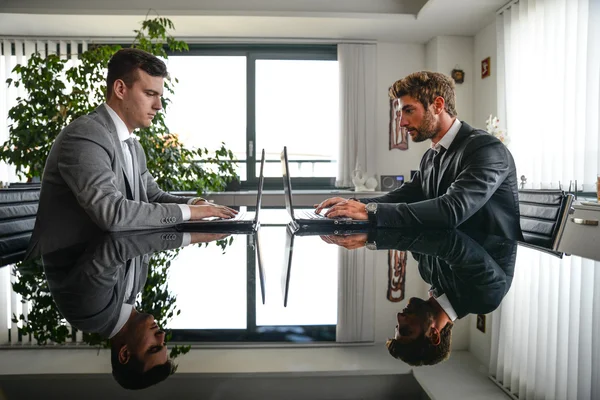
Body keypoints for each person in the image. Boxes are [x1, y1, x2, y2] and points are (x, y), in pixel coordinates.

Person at [26, 48, 237, 259]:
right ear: (120, 89)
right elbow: (112, 214)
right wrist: (190, 214)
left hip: (111, 261)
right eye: (149, 94)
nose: (159, 106)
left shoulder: (132, 144)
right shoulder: (86, 135)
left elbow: (153, 196)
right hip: (74, 272)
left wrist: (195, 204)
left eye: (159, 96)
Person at [315, 71, 522, 240]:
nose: (402, 123)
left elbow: (452, 210)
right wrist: (353, 205)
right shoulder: (432, 155)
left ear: (438, 105)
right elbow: (404, 196)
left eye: (409, 111)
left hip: (486, 270)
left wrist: (369, 211)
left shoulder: (486, 149)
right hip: (451, 258)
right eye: (400, 114)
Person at [43, 229, 229, 390]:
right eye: (163, 344)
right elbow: (144, 231)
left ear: (124, 353)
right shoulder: (135, 287)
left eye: (154, 347)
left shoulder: (92, 314)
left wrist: (194, 236)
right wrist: (195, 211)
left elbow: (117, 241)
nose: (162, 335)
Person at [321, 228, 517, 366]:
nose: (399, 317)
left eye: (398, 327)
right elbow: (448, 239)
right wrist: (372, 237)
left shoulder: (428, 275)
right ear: (434, 334)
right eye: (406, 330)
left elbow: (414, 228)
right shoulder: (483, 298)